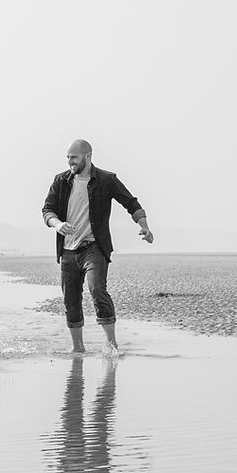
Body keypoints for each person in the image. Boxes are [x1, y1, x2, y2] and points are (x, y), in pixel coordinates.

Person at [41, 139, 154, 353]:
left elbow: (131, 203)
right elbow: (47, 210)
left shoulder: (106, 179)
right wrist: (57, 224)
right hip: (67, 250)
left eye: (73, 157)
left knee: (97, 289)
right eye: (67, 158)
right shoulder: (61, 181)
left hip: (95, 247)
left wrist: (145, 227)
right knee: (70, 299)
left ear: (88, 156)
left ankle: (111, 344)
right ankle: (78, 349)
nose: (70, 162)